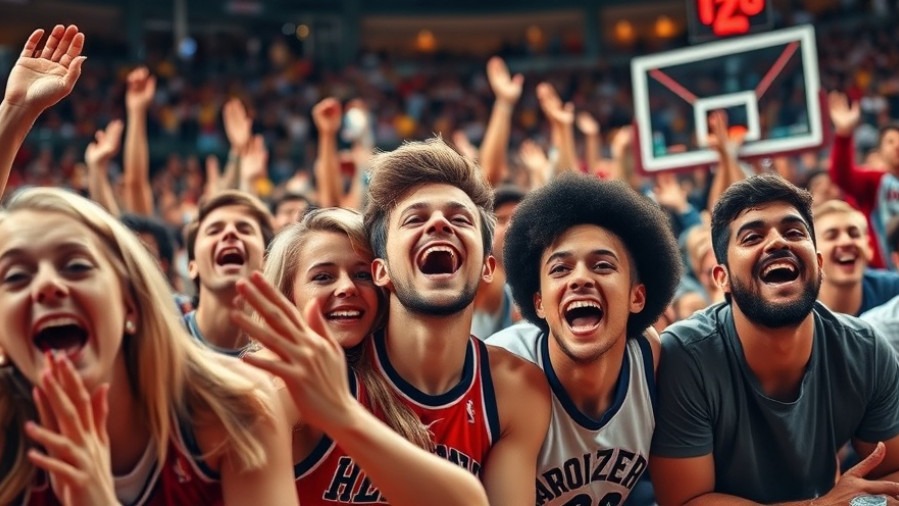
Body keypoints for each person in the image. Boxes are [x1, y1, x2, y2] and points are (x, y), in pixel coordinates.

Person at [0, 187, 297, 505]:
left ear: (129, 304)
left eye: (76, 266)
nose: (46, 286)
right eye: (15, 275)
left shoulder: (237, 405)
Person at [650, 174, 899, 504]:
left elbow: (891, 475)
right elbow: (686, 501)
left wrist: (860, 501)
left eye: (794, 232)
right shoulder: (685, 356)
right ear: (721, 277)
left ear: (818, 263)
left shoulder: (865, 348)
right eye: (752, 237)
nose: (778, 243)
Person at [232, 207, 488, 505]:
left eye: (362, 274)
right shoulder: (274, 382)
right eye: (323, 276)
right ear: (289, 297)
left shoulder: (397, 371)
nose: (346, 287)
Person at [361, 137, 551, 503]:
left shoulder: (516, 390)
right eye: (415, 218)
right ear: (381, 270)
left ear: (487, 267)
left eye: (459, 218)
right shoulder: (331, 373)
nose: (438, 224)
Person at [487, 174, 681, 505]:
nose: (580, 279)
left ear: (638, 297)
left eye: (602, 265)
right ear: (539, 303)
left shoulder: (651, 355)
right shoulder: (503, 368)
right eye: (560, 269)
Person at [182, 190, 274, 355]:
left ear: (266, 263)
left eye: (245, 230)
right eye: (214, 231)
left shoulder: (284, 356)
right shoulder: (162, 342)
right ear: (192, 266)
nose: (230, 232)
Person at [813, 199, 899, 316]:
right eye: (832, 236)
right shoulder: (800, 307)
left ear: (869, 247)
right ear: (812, 253)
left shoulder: (893, 290)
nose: (846, 241)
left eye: (854, 234)